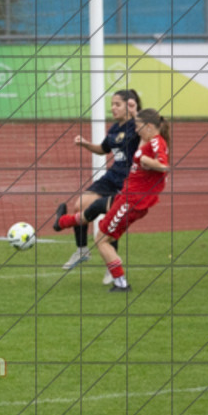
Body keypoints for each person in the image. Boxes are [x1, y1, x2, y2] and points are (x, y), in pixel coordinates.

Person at [55, 108, 170, 292]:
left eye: (139, 126)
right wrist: (135, 113)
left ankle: (120, 282)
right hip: (127, 195)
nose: (136, 129)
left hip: (133, 201)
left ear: (149, 126)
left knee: (101, 239)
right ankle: (61, 223)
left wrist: (148, 162)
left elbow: (163, 165)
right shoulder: (147, 139)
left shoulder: (156, 142)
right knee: (96, 207)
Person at [54, 89, 142, 281]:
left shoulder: (137, 126)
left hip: (128, 182)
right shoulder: (114, 128)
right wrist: (85, 143)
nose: (113, 108)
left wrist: (135, 113)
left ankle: (112, 266)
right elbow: (103, 150)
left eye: (117, 104)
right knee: (80, 205)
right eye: (112, 104)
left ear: (129, 105)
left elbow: (150, 129)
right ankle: (82, 250)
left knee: (112, 218)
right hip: (111, 177)